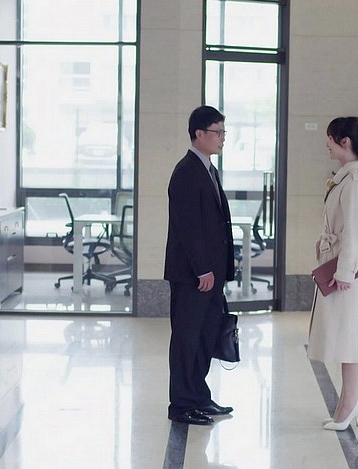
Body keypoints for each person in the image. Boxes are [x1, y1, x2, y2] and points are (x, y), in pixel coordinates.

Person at [307, 116, 358, 431]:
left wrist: (346, 272)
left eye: (330, 138)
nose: (326, 144)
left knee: (349, 332)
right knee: (342, 333)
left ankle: (349, 404)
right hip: (340, 260)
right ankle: (347, 403)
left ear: (344, 142)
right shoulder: (348, 177)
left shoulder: (353, 181)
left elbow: (353, 231)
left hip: (348, 264)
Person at [164, 105, 236, 426]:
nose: (222, 138)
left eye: (223, 132)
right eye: (218, 132)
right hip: (193, 275)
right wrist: (202, 269)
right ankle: (181, 404)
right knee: (187, 338)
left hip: (211, 274)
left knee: (206, 336)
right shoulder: (186, 172)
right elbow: (188, 227)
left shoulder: (208, 169)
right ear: (199, 134)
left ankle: (199, 396)